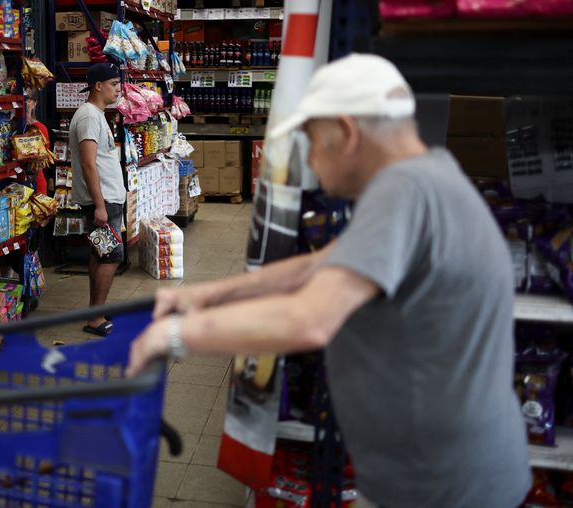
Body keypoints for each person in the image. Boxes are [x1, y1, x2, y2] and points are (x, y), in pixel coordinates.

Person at [127, 54, 531, 508]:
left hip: (443, 486)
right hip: (439, 473)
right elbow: (320, 264)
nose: (313, 162)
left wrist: (173, 336)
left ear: (347, 131)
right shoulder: (429, 176)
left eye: (314, 142)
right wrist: (207, 294)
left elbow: (311, 320)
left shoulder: (405, 191)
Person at [69, 63, 126, 336]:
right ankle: (95, 318)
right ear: (98, 86)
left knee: (100, 253)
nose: (118, 88)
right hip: (103, 200)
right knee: (111, 256)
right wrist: (101, 205)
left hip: (107, 198)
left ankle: (96, 311)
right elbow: (89, 164)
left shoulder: (97, 115)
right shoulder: (89, 117)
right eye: (114, 83)